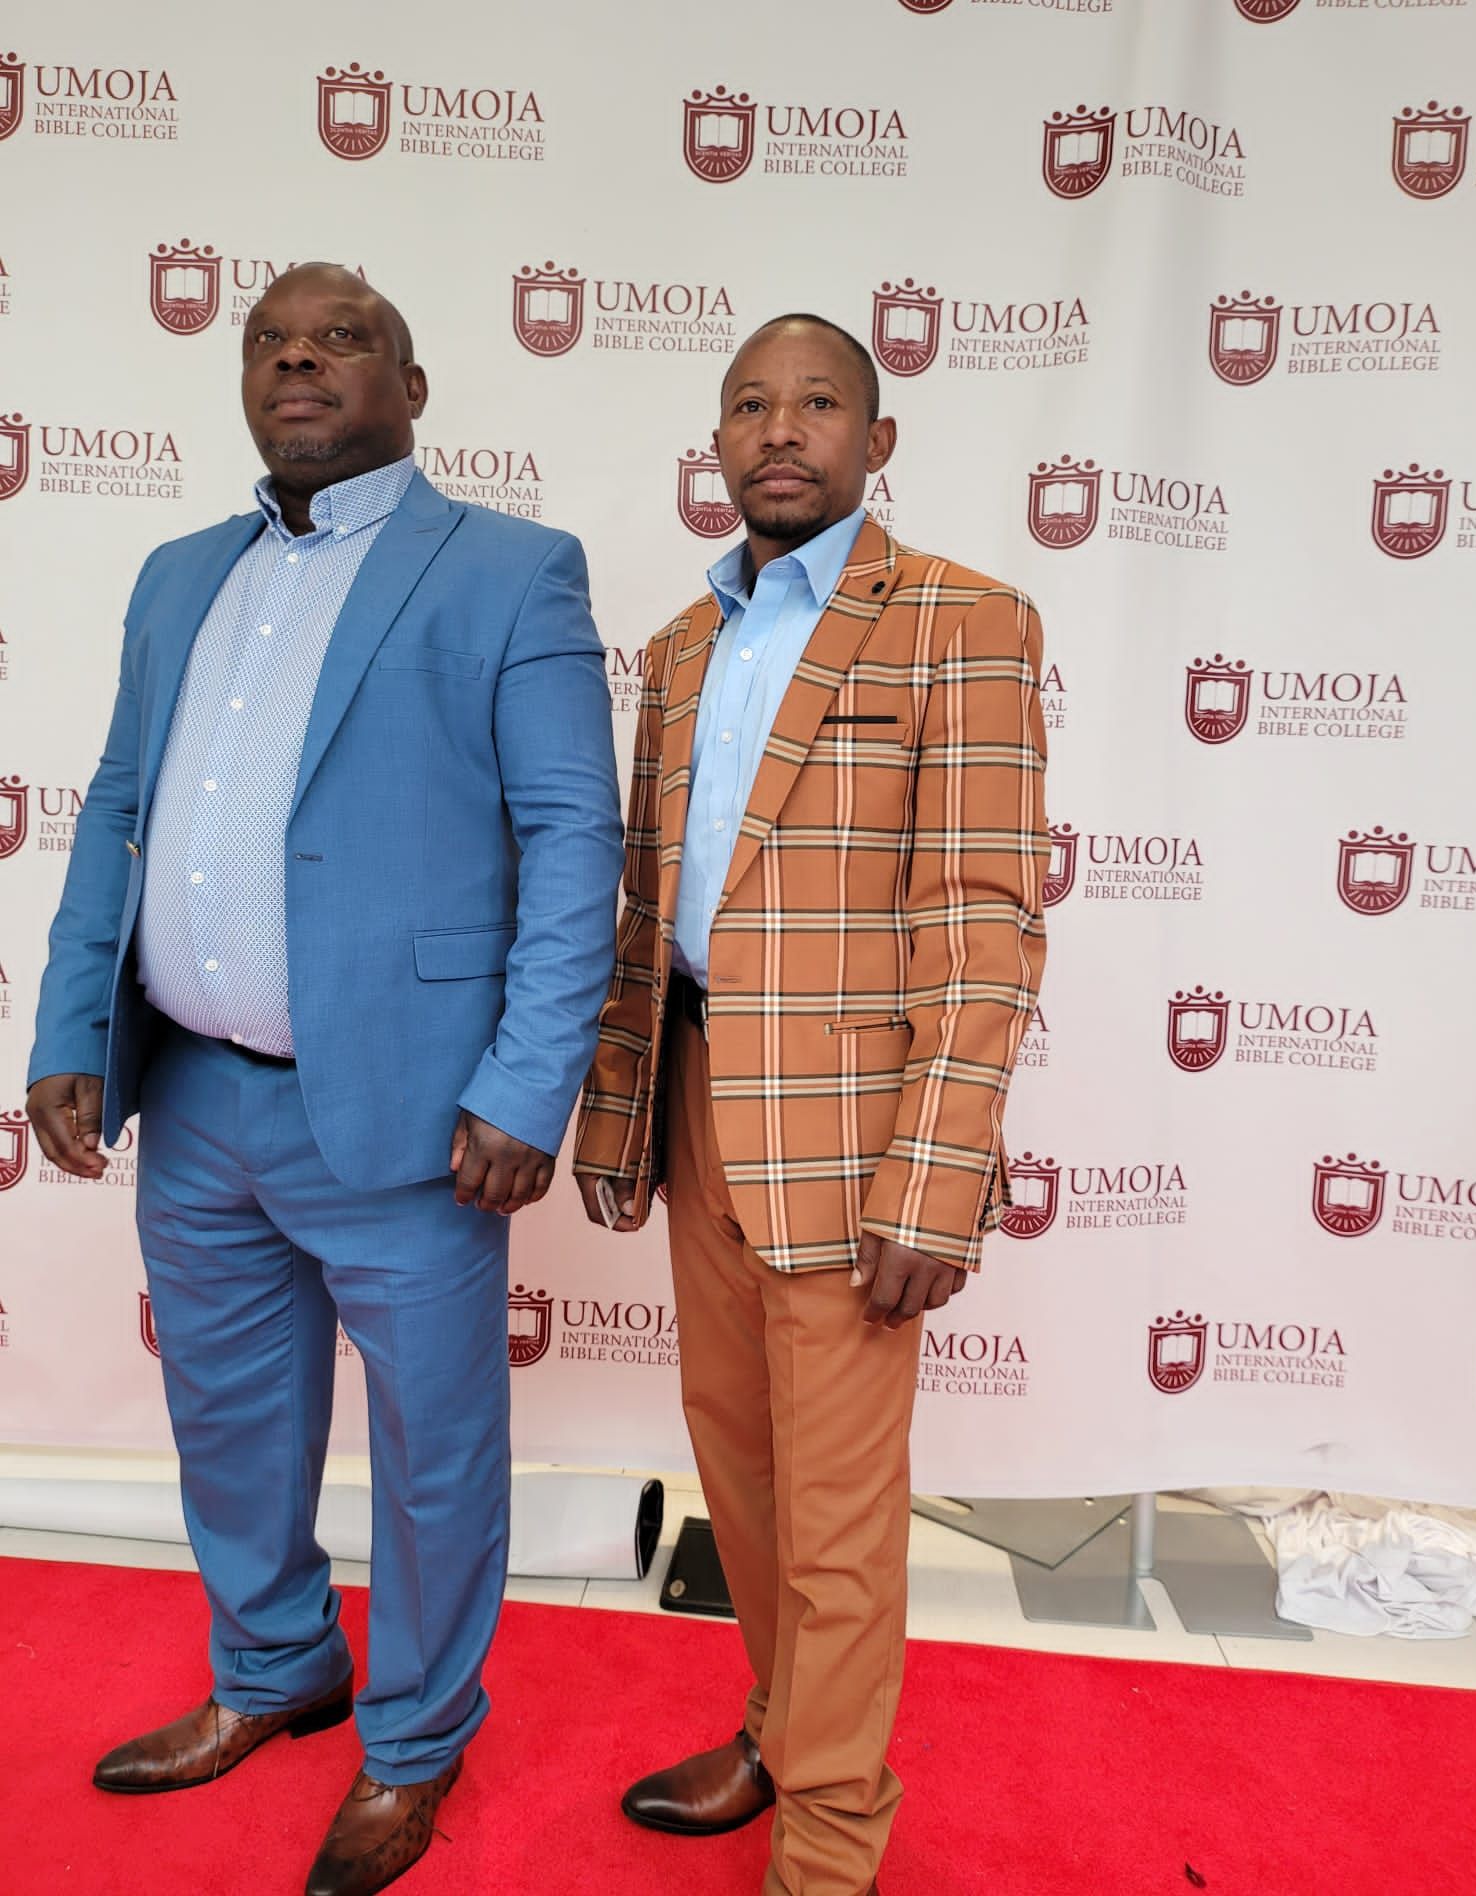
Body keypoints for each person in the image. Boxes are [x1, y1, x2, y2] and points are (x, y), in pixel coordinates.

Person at [26, 263, 623, 1896]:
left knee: (433, 1450)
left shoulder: (509, 572)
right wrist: (69, 1024)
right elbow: (121, 803)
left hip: (418, 1111)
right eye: (272, 341)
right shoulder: (175, 577)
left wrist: (525, 1082)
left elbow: (575, 839)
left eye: (341, 339)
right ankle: (275, 1667)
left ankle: (415, 1743)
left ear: (412, 389)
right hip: (200, 1095)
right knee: (229, 1424)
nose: (300, 359)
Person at [573, 314, 1049, 1895]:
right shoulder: (680, 649)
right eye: (751, 405)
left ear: (877, 440)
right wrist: (619, 1113)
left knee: (839, 1519)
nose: (782, 429)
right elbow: (652, 911)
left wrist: (937, 1181)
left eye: (820, 402)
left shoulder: (964, 623)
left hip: (856, 1143)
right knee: (742, 1473)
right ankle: (779, 1732)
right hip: (701, 1102)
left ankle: (831, 1853)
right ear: (718, 443)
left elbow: (987, 922)